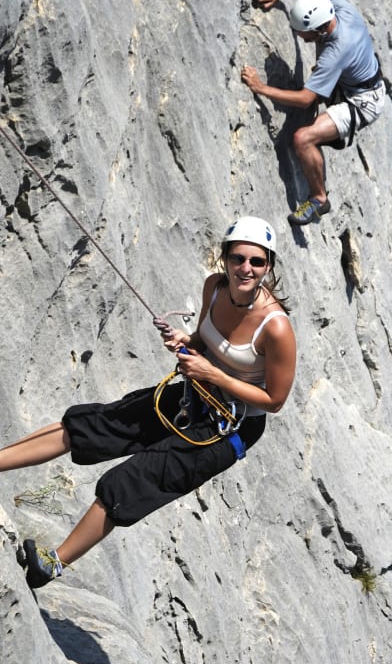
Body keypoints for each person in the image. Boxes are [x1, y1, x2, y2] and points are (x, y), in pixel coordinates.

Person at [2, 216, 296, 588]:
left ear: (268, 265)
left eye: (257, 261)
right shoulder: (215, 289)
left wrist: (212, 374)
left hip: (229, 426)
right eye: (239, 258)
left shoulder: (276, 327)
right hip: (199, 392)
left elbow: (275, 400)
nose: (246, 268)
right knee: (96, 425)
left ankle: (53, 563)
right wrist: (185, 342)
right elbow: (205, 344)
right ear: (225, 258)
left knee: (132, 481)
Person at [241, 0, 385, 226]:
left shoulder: (336, 51)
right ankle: (331, 128)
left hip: (363, 102)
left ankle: (319, 198)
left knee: (302, 138)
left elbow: (305, 98)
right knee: (317, 90)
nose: (299, 36)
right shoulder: (337, 9)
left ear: (319, 31)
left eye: (302, 33)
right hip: (355, 82)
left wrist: (261, 88)